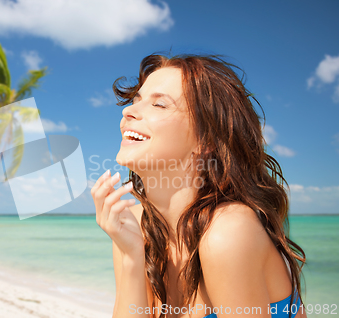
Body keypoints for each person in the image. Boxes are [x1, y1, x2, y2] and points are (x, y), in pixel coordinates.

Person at [91, 53, 306, 318]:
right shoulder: (135, 227)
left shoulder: (227, 231)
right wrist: (133, 257)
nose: (128, 111)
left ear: (205, 142)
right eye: (136, 100)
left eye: (159, 105)